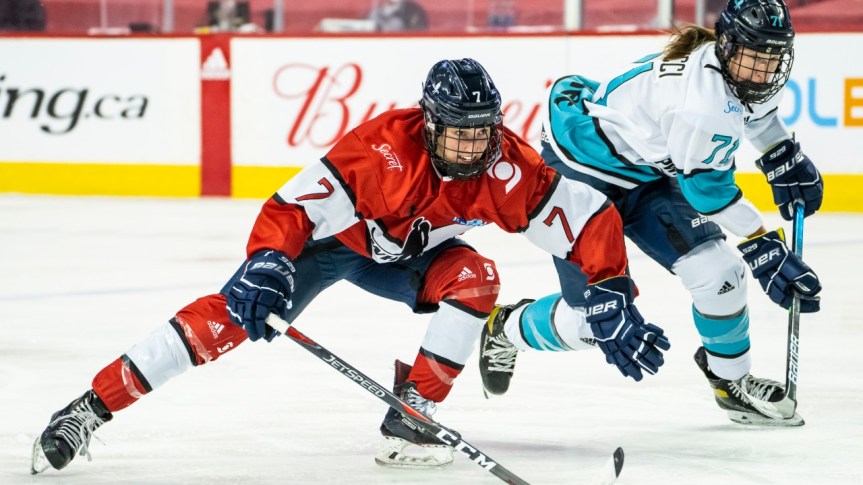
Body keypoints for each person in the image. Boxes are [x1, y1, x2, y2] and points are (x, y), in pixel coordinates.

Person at [30, 58, 670, 474]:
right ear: (429, 124)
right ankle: (88, 408)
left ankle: (412, 413)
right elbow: (293, 205)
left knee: (477, 278)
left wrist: (611, 290)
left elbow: (588, 217)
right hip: (332, 248)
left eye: (484, 132)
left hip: (410, 261)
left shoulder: (509, 169)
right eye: (461, 133)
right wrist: (267, 263)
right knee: (223, 323)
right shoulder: (381, 149)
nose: (475, 147)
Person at [478, 0, 823, 427]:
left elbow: (754, 113)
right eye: (754, 58)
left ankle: (730, 380)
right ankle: (506, 328)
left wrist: (781, 152)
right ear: (729, 45)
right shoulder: (700, 105)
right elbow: (708, 193)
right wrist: (763, 245)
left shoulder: (735, 70)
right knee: (591, 320)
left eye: (773, 59)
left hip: (644, 167)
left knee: (721, 275)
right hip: (581, 170)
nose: (763, 73)